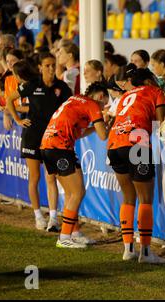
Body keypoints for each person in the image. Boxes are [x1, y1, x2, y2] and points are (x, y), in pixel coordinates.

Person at [108, 63, 165, 264]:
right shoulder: (155, 91)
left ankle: (128, 249)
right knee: (145, 199)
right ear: (149, 80)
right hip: (137, 141)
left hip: (114, 143)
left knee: (127, 197)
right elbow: (161, 123)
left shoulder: (126, 96)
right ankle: (146, 251)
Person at [4, 56, 72, 232]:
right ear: (41, 67)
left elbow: (69, 109)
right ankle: (38, 216)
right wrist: (17, 120)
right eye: (47, 65)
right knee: (34, 177)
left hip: (52, 137)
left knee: (52, 177)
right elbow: (9, 99)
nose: (50, 68)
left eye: (53, 65)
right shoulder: (32, 84)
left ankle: (53, 218)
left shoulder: (62, 87)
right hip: (32, 136)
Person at [41, 82, 109, 248]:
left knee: (74, 193)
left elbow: (79, 133)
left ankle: (74, 232)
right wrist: (107, 122)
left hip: (49, 146)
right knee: (77, 193)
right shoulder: (93, 104)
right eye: (104, 103)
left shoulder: (76, 100)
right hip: (59, 147)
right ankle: (64, 237)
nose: (103, 106)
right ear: (100, 96)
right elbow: (103, 135)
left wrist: (96, 126)